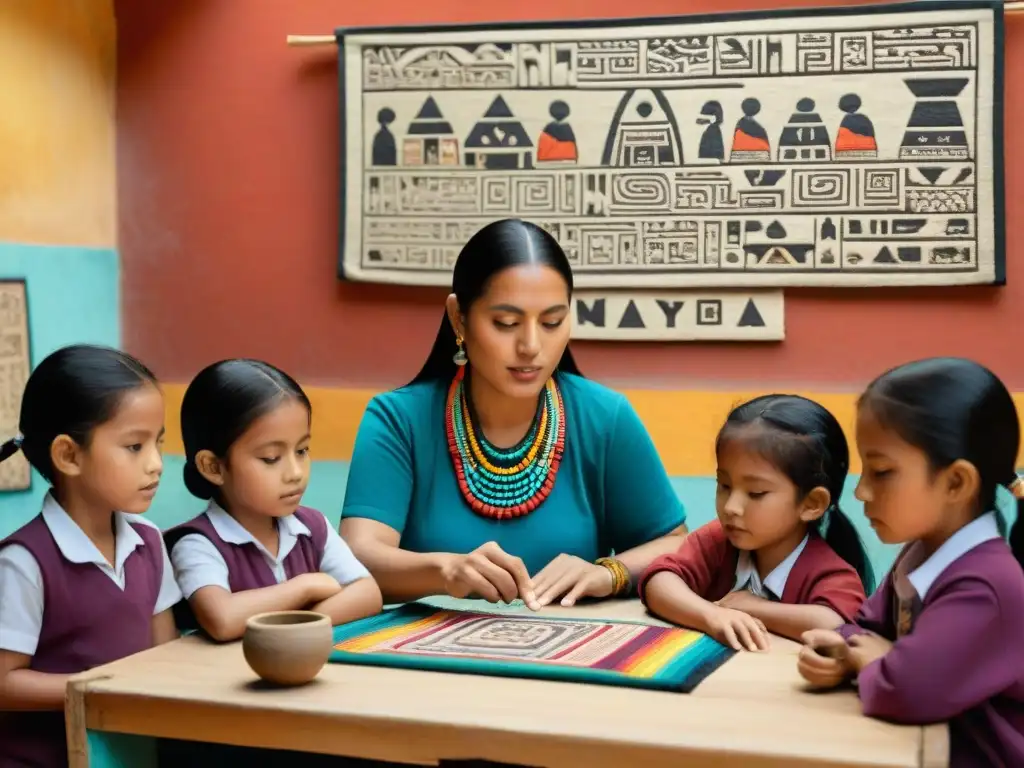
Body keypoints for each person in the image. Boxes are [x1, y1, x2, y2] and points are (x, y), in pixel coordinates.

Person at [340, 218, 687, 610]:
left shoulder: (604, 418)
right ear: (459, 318)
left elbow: (677, 544)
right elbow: (358, 555)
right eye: (506, 323)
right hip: (426, 659)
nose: (531, 346)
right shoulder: (399, 420)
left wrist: (609, 572)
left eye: (553, 322)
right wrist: (444, 571)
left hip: (573, 658)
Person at [798, 358, 1024, 766]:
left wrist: (873, 662)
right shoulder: (921, 554)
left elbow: (907, 691)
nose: (862, 491)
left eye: (882, 472)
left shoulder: (986, 586)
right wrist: (843, 652)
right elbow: (868, 627)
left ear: (956, 482)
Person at [0, 344, 182, 767]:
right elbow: (4, 683)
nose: (156, 464)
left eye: (158, 443)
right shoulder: (25, 562)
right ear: (68, 455)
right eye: (134, 446)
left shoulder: (150, 543)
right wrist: (98, 689)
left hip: (127, 755)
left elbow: (166, 657)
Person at [164, 359, 382, 641]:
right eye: (271, 458)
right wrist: (303, 588)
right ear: (213, 467)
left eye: (302, 450)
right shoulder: (198, 544)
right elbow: (223, 619)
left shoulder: (312, 528)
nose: (295, 473)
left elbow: (367, 593)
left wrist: (293, 628)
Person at [638, 395, 871, 651]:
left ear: (811, 503)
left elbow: (836, 624)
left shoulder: (829, 572)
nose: (731, 507)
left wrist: (754, 608)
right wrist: (711, 616)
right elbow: (659, 582)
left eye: (756, 493)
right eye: (724, 485)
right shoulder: (719, 540)